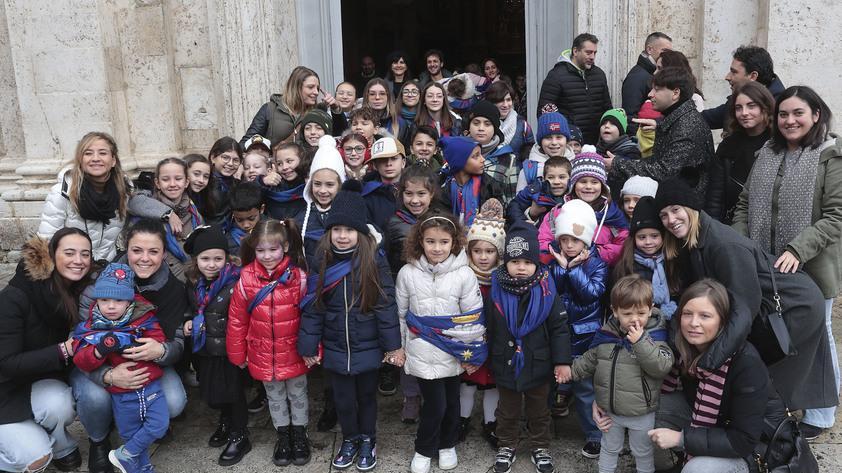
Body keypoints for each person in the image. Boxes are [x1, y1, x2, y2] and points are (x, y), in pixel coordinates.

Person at [653, 177, 837, 414]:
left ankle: (776, 428)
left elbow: (743, 310)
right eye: (663, 215)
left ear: (691, 208)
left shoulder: (723, 245)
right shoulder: (692, 239)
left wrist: (709, 362)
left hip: (794, 304)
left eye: (675, 210)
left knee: (769, 370)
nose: (670, 220)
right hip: (766, 302)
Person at [731, 85, 842, 438]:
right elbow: (746, 204)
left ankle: (822, 413)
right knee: (776, 333)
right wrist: (742, 245)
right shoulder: (768, 152)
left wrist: (797, 249)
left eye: (798, 113)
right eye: (783, 114)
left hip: (811, 264)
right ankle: (782, 402)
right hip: (763, 262)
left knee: (819, 335)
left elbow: (836, 215)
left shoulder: (830, 155)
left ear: (816, 115)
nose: (789, 120)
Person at [297, 181, 403, 471]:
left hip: (366, 343)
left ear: (361, 232)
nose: (342, 236)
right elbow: (313, 305)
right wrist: (308, 345)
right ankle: (350, 438)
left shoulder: (373, 260)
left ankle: (368, 439)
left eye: (349, 230)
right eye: (337, 230)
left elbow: (385, 304)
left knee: (367, 398)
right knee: (343, 399)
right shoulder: (321, 259)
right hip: (334, 346)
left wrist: (393, 346)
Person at [71, 219, 189, 472]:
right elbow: (81, 344)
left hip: (146, 362)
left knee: (174, 402)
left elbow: (178, 340)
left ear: (164, 253)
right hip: (100, 363)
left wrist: (162, 351)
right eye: (137, 250)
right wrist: (108, 375)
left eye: (153, 251)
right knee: (94, 396)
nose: (144, 258)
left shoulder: (173, 289)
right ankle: (99, 441)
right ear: (126, 248)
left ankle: (138, 438)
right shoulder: (97, 289)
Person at [646, 279, 784, 473]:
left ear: (722, 321)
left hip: (756, 449)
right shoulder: (685, 348)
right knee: (646, 405)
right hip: (716, 425)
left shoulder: (746, 362)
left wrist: (680, 439)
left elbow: (743, 440)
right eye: (687, 314)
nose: (694, 323)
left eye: (705, 316)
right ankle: (672, 464)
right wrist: (603, 403)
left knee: (698, 469)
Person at [398, 211, 485, 473]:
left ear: (455, 243)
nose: (437, 248)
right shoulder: (407, 273)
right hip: (421, 349)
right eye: (431, 241)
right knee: (435, 404)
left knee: (452, 402)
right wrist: (400, 348)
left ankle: (447, 444)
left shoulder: (464, 275)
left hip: (453, 350)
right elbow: (401, 314)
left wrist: (471, 354)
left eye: (444, 242)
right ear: (420, 242)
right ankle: (424, 448)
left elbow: (472, 317)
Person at [0, 229, 94, 473]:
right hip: (3, 391)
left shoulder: (69, 292)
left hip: (32, 384)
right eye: (70, 252)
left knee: (62, 401)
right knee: (36, 459)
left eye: (85, 254)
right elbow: (6, 362)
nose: (79, 260)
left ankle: (61, 446)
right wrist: (63, 351)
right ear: (52, 255)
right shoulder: (14, 298)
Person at [561, 275, 672, 473]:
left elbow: (661, 366)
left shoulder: (656, 336)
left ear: (651, 307)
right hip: (610, 410)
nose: (635, 319)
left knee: (642, 451)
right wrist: (571, 371)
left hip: (642, 411)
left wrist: (640, 342)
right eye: (627, 313)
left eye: (641, 312)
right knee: (609, 447)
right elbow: (590, 359)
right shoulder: (606, 335)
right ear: (614, 311)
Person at [486, 221, 571, 473]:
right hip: (506, 362)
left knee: (539, 410)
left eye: (526, 262)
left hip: (539, 363)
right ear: (505, 263)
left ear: (536, 263)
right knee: (508, 410)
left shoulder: (546, 291)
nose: (521, 267)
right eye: (514, 262)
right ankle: (507, 445)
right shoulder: (496, 289)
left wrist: (562, 361)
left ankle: (540, 446)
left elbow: (559, 328)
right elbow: (488, 327)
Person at [228, 219, 311, 466]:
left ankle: (299, 435)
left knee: (298, 394)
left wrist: (312, 348)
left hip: (294, 350)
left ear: (285, 246)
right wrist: (237, 354)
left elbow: (311, 317)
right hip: (262, 352)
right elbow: (237, 320)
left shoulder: (299, 277)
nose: (266, 256)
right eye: (260, 250)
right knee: (274, 397)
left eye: (272, 249)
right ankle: (283, 435)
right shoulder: (246, 278)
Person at [73, 263, 169, 473]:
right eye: (104, 300)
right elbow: (80, 359)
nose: (111, 306)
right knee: (130, 433)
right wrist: (99, 351)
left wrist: (149, 347)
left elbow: (159, 338)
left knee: (159, 425)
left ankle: (124, 454)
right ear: (96, 300)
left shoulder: (144, 319)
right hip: (122, 394)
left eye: (118, 300)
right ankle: (140, 468)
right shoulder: (90, 328)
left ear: (129, 301)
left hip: (150, 386)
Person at [182, 226, 250, 465]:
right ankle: (226, 421)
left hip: (230, 348)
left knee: (234, 392)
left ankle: (240, 434)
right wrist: (188, 320)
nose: (212, 264)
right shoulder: (193, 282)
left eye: (218, 258)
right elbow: (191, 308)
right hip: (206, 348)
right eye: (205, 259)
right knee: (215, 392)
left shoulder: (235, 280)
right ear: (196, 260)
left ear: (226, 257)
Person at [546, 200, 608, 458]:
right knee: (549, 384)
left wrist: (572, 271)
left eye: (575, 240)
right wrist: (562, 269)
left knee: (585, 389)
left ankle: (594, 435)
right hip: (558, 336)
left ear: (586, 241)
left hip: (586, 337)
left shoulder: (597, 265)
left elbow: (591, 295)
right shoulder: (555, 264)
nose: (569, 245)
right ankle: (542, 428)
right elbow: (551, 293)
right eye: (564, 240)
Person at [607, 67, 714, 199]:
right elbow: (660, 161)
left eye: (657, 89)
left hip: (684, 205)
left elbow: (665, 171)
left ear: (675, 93)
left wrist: (619, 164)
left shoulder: (686, 126)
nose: (650, 94)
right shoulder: (677, 119)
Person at [38, 131, 131, 261]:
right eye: (88, 153)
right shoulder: (62, 193)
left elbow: (144, 202)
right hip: (72, 267)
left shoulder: (124, 191)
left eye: (103, 153)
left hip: (108, 265)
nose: (95, 158)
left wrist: (167, 214)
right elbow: (47, 239)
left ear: (113, 160)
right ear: (80, 160)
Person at [461, 199, 506, 448]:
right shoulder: (463, 274)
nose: (483, 257)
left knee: (492, 383)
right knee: (467, 381)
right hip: (469, 339)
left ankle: (491, 422)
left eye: (489, 252)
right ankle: (462, 418)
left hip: (494, 339)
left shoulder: (502, 277)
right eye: (477, 251)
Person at [539, 147, 629, 267]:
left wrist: (597, 253)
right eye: (583, 181)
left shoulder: (612, 214)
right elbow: (542, 242)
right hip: (561, 274)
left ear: (602, 186)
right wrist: (561, 250)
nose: (588, 186)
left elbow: (623, 244)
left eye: (594, 182)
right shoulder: (557, 213)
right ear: (573, 185)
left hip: (599, 276)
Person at [705, 81, 774, 223]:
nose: (744, 113)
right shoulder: (728, 146)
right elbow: (715, 198)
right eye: (738, 108)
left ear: (765, 107)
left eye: (751, 106)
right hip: (733, 223)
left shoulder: (778, 144)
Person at [127, 157, 203, 282]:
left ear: (186, 182)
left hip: (192, 279)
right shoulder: (148, 210)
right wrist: (169, 213)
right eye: (165, 179)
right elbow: (133, 202)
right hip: (162, 281)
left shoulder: (193, 211)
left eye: (178, 179)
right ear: (157, 183)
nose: (172, 184)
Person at [537, 33, 612, 144]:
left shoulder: (599, 74)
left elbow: (607, 107)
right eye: (588, 52)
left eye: (594, 53)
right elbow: (545, 113)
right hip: (569, 144)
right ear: (575, 51)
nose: (592, 57)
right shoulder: (556, 75)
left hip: (596, 143)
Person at [613, 197, 680, 322]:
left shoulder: (672, 261)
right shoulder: (626, 265)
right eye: (642, 237)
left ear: (663, 236)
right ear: (634, 239)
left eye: (654, 236)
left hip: (672, 320)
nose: (648, 242)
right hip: (638, 323)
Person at [242, 66, 341, 146]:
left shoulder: (317, 113)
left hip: (306, 167)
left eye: (317, 88)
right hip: (276, 167)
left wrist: (335, 108)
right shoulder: (270, 109)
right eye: (310, 87)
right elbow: (245, 144)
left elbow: (340, 135)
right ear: (296, 87)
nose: (316, 92)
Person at [702, 45, 786, 130]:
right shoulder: (737, 99)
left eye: (734, 72)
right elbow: (704, 120)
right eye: (739, 108)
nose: (727, 77)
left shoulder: (781, 107)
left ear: (753, 76)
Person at [297, 135, 347, 270]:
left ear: (340, 185)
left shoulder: (349, 214)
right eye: (317, 184)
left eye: (330, 185)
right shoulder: (300, 220)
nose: (323, 191)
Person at [385, 164, 439, 278]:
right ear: (402, 193)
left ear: (431, 194)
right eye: (409, 194)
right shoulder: (393, 224)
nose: (415, 200)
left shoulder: (440, 221)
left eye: (421, 194)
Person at [438, 136, 503, 228]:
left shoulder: (488, 185)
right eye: (476, 156)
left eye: (481, 154)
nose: (483, 159)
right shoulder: (443, 188)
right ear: (460, 162)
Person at [467, 100, 520, 205]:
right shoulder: (457, 153)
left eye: (487, 124)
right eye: (476, 123)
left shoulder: (508, 159)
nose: (481, 128)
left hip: (495, 218)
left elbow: (512, 200)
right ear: (469, 126)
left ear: (495, 128)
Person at [622, 32, 673, 128]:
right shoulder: (637, 77)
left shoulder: (651, 73)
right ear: (649, 49)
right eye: (664, 51)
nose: (668, 55)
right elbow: (630, 116)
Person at [517, 111, 573, 193]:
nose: (554, 142)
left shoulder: (576, 164)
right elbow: (519, 201)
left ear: (566, 140)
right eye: (548, 138)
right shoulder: (530, 170)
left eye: (559, 137)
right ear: (540, 141)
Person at [362, 136, 406, 238]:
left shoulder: (415, 190)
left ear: (403, 162)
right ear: (375, 165)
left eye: (394, 158)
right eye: (383, 160)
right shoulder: (366, 195)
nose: (388, 164)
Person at [485, 81, 535, 160]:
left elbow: (531, 151)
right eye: (501, 100)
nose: (505, 105)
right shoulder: (483, 124)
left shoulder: (522, 125)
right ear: (492, 102)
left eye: (508, 100)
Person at [262, 142, 308, 221]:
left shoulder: (309, 185)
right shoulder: (272, 187)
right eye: (279, 163)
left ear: (302, 159)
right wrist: (262, 182)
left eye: (289, 161)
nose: (284, 167)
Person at [205, 136, 243, 225]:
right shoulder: (203, 183)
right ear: (213, 158)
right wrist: (168, 212)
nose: (230, 163)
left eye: (236, 160)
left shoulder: (236, 183)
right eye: (225, 157)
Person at [225, 182, 265, 257]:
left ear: (262, 209)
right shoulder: (230, 240)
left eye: (252, 218)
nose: (246, 225)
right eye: (239, 220)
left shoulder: (273, 230)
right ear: (233, 213)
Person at [185, 153, 214, 220]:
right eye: (196, 174)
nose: (201, 180)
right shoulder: (177, 197)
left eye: (206, 176)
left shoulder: (204, 196)